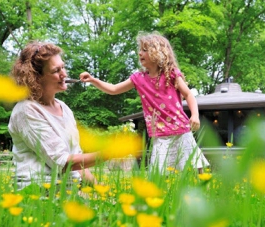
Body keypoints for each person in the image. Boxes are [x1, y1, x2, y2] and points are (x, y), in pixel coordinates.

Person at [80, 32, 209, 174]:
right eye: (140, 50)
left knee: (194, 168)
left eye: (144, 50)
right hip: (159, 136)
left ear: (158, 53)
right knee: (160, 173)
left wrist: (195, 115)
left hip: (181, 132)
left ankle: (202, 192)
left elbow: (189, 94)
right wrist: (93, 80)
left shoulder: (171, 74)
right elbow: (114, 89)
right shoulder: (138, 78)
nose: (140, 53)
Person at [8, 41, 102, 190]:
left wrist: (101, 190)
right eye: (56, 71)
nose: (64, 74)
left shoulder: (65, 109)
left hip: (70, 191)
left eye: (63, 67)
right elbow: (63, 163)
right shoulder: (26, 111)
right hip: (38, 192)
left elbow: (78, 162)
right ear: (36, 78)